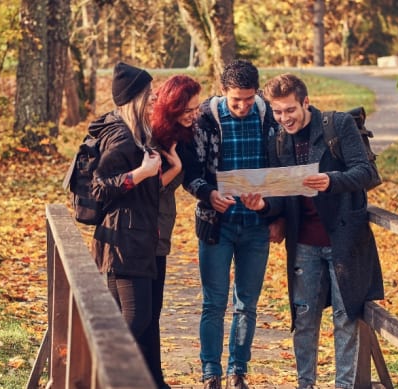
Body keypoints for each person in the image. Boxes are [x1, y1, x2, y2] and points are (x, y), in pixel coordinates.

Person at [240, 73, 384, 389]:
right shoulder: (276, 140)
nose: (284, 118)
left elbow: (366, 171)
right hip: (303, 243)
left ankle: (343, 385)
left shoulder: (338, 125)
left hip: (344, 239)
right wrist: (262, 207)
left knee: (345, 318)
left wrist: (332, 181)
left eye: (289, 110)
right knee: (303, 320)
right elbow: (280, 196)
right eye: (277, 112)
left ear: (306, 102)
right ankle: (306, 383)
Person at [179, 60, 281, 389]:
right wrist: (209, 195)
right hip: (217, 225)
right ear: (223, 91)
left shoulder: (267, 117)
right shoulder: (204, 119)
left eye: (249, 99)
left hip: (255, 226)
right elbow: (189, 172)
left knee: (246, 304)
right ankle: (211, 373)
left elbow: (281, 169)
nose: (242, 106)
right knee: (214, 302)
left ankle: (238, 371)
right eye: (236, 99)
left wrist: (272, 212)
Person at [89, 61, 163, 383]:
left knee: (126, 321)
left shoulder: (132, 133)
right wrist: (141, 174)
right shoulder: (121, 137)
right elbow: (98, 188)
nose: (154, 100)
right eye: (149, 95)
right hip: (124, 242)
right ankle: (99, 375)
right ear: (135, 98)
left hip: (131, 239)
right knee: (136, 320)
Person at [144, 75, 202, 389]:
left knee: (154, 311)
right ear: (173, 106)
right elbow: (144, 190)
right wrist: (175, 169)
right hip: (142, 233)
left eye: (196, 107)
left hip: (161, 233)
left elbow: (198, 175)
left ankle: (155, 379)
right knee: (142, 313)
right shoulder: (151, 137)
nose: (195, 113)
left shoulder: (183, 134)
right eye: (189, 108)